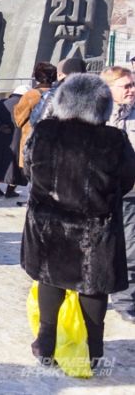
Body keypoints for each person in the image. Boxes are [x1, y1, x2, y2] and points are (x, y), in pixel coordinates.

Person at [23, 73, 135, 367]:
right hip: (95, 227)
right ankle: (93, 348)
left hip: (48, 222)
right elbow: (126, 180)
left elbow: (28, 168)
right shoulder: (114, 139)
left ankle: (46, 341)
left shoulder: (45, 131)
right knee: (92, 285)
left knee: (50, 277)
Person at [100, 66, 135, 323]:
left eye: (132, 85)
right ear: (109, 89)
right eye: (126, 86)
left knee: (131, 248)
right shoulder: (96, 117)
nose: (132, 90)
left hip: (131, 193)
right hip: (101, 194)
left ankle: (125, 300)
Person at [0, 85, 29, 198]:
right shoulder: (25, 105)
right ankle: (10, 190)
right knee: (15, 164)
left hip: (0, 136)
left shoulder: (2, 102)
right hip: (16, 137)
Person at [13, 62, 57, 169]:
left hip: (33, 141)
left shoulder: (31, 95)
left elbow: (19, 119)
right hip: (54, 141)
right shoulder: (59, 93)